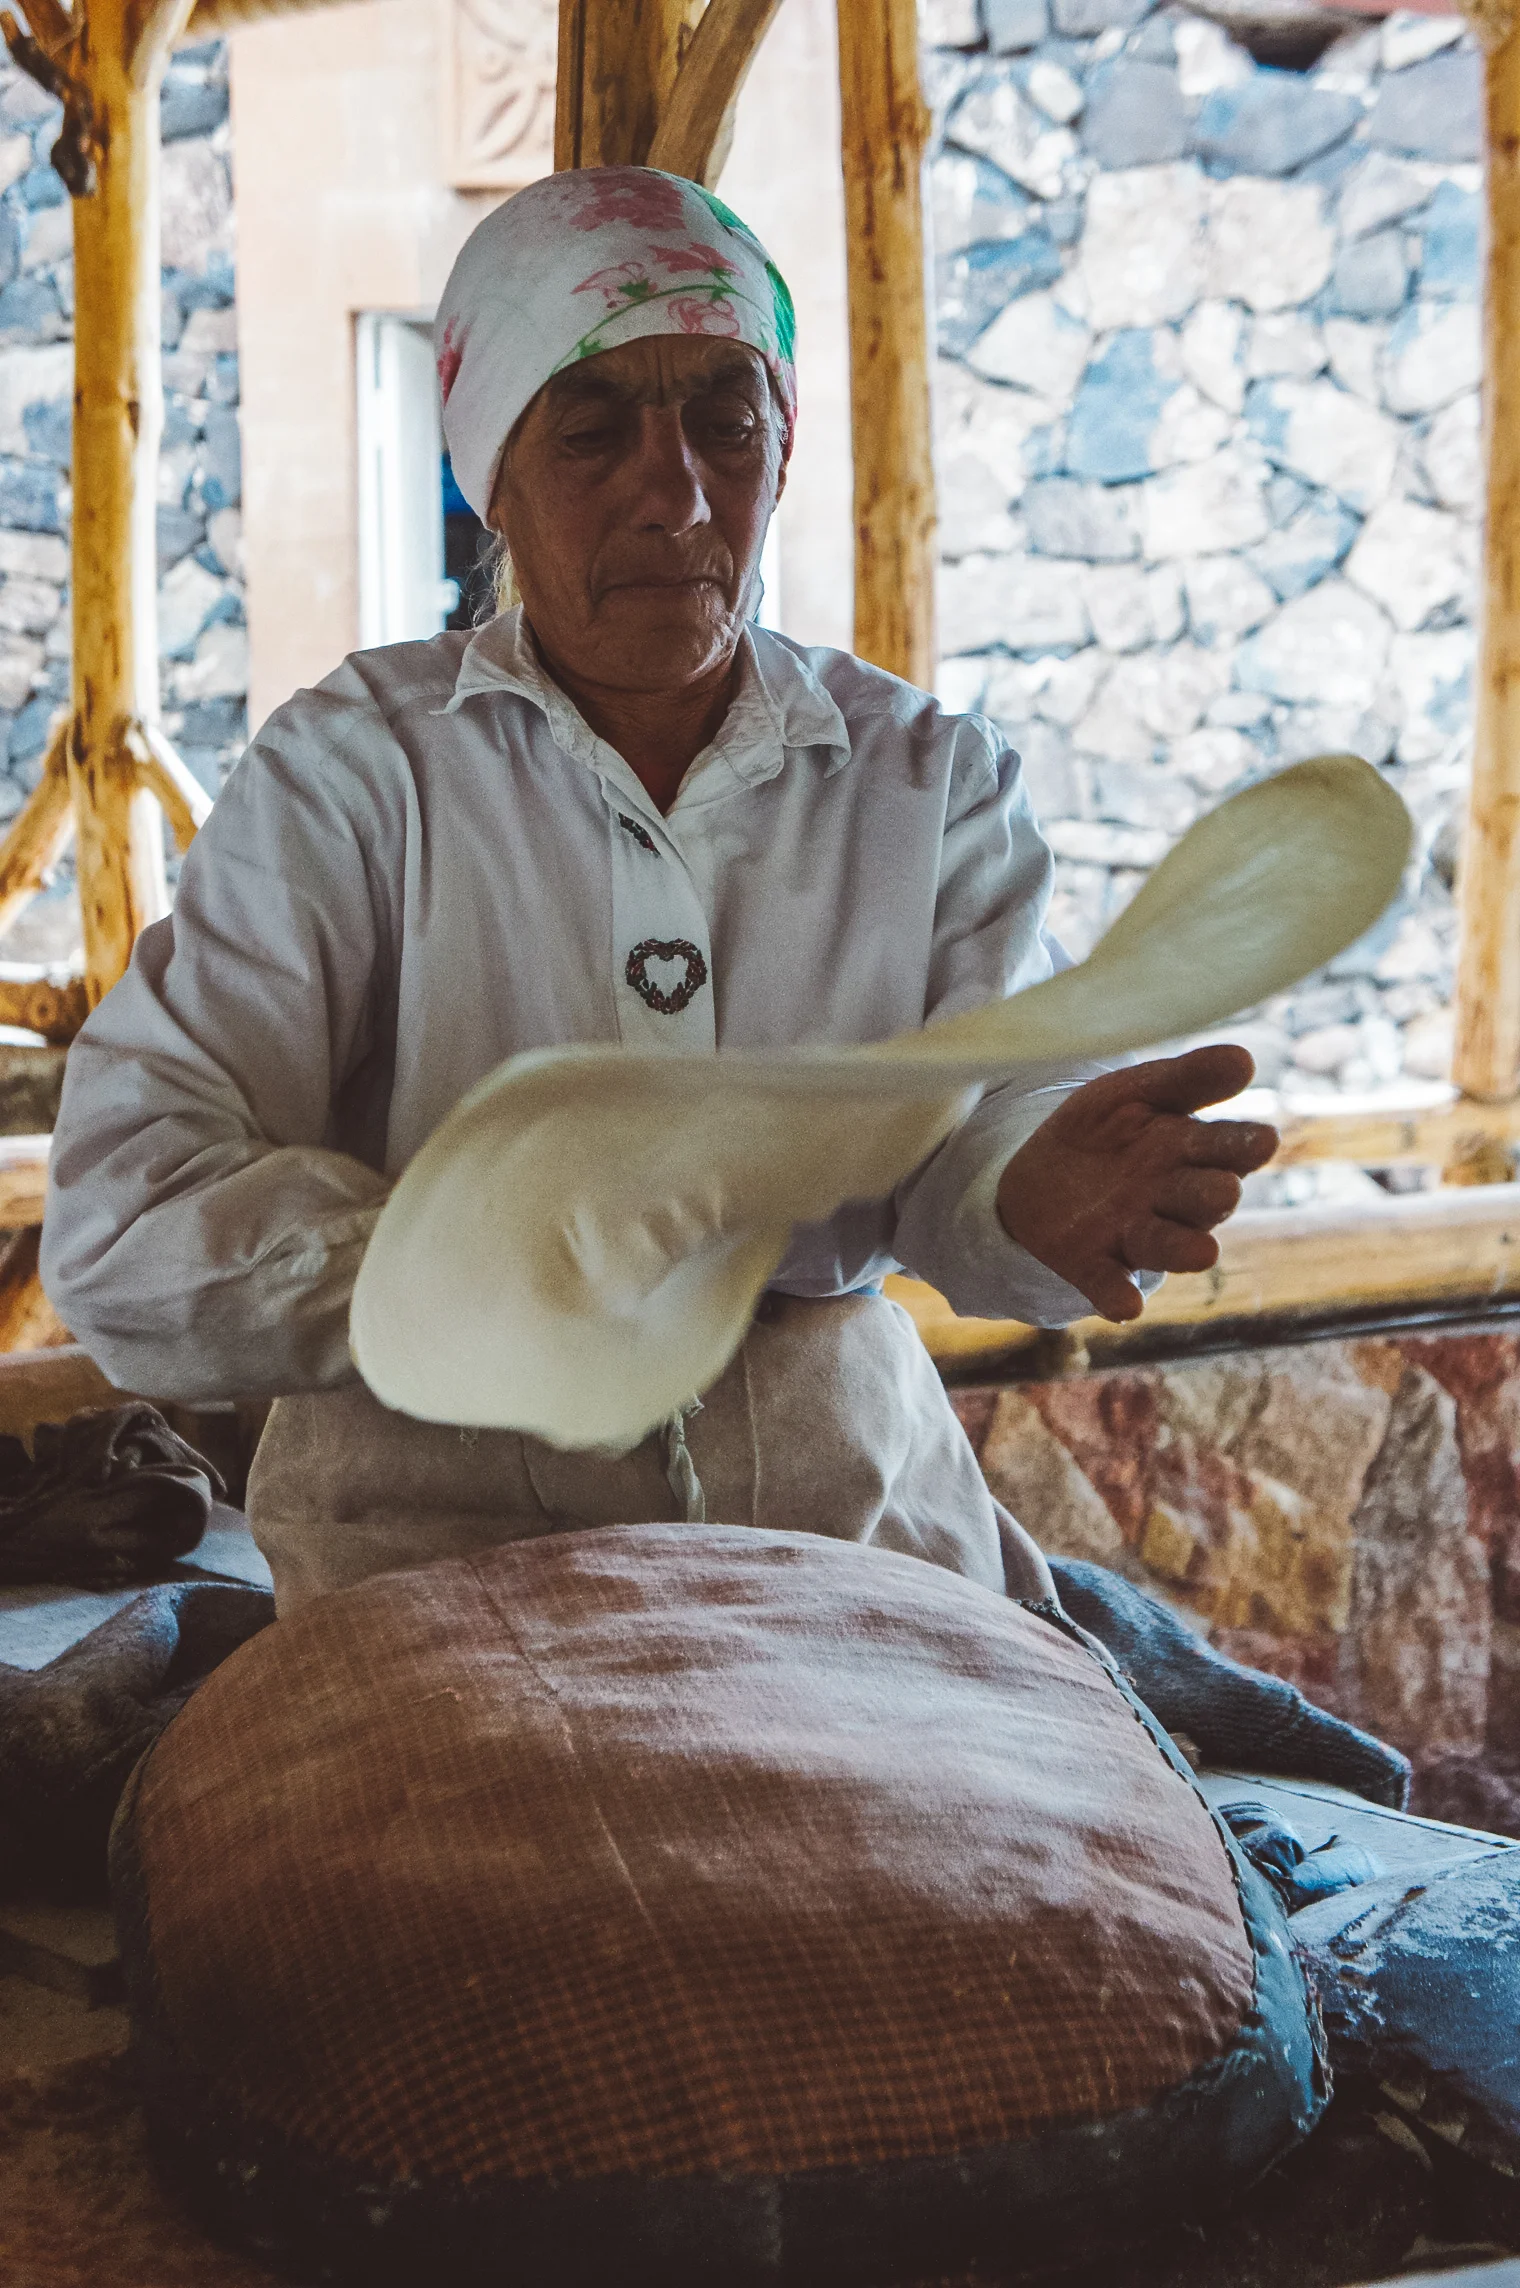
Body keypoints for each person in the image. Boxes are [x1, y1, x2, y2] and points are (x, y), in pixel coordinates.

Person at [40, 166, 1276, 1614]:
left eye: (727, 422)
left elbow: (976, 1134)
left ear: (782, 451)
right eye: (592, 430)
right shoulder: (360, 772)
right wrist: (496, 1265)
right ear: (489, 473)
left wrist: (1034, 1190)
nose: (678, 489)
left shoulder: (923, 779)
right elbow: (127, 1221)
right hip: (432, 1561)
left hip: (860, 1540)